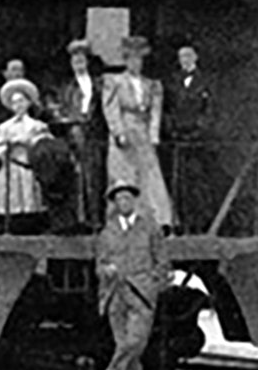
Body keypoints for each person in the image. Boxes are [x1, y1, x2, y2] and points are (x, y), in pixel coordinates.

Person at [94, 182, 170, 370]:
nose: (124, 202)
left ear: (134, 201)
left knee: (135, 342)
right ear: (115, 204)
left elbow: (163, 261)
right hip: (115, 294)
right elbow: (99, 265)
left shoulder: (150, 229)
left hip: (141, 294)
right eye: (120, 199)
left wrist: (152, 284)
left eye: (127, 198)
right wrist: (106, 270)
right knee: (124, 344)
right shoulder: (107, 233)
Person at [102, 36, 173, 228]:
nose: (136, 63)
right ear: (126, 61)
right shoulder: (114, 81)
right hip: (125, 131)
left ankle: (155, 219)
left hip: (142, 132)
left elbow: (155, 111)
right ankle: (121, 219)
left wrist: (153, 134)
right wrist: (118, 132)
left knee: (149, 175)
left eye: (139, 60)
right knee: (124, 175)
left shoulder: (151, 84)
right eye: (132, 59)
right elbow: (111, 109)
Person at [49, 39, 106, 229]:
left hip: (95, 134)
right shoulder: (66, 87)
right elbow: (54, 107)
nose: (78, 64)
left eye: (81, 60)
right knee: (77, 176)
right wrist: (68, 119)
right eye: (75, 61)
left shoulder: (99, 84)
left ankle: (96, 217)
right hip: (73, 134)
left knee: (95, 176)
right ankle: (79, 219)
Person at [0, 78, 50, 233]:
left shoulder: (38, 126)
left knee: (32, 205)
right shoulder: (4, 127)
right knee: (9, 204)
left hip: (30, 168)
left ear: (28, 103)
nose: (18, 105)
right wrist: (9, 146)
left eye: (21, 101)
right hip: (11, 168)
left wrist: (28, 143)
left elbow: (45, 148)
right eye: (14, 103)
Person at [164, 43, 217, 234]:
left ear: (195, 58)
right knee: (180, 182)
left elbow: (210, 111)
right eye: (181, 57)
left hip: (198, 141)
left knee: (198, 181)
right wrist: (173, 131)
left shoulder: (207, 81)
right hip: (178, 139)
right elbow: (168, 109)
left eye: (188, 56)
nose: (184, 60)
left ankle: (200, 223)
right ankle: (182, 222)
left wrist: (197, 131)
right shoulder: (173, 81)